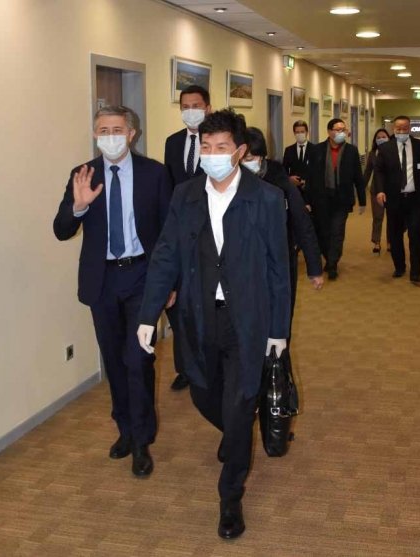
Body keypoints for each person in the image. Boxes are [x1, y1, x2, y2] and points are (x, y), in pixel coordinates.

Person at [137, 109, 290, 540]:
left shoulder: (265, 198)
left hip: (248, 320)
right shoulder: (185, 195)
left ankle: (230, 498)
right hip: (199, 317)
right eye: (206, 147)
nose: (212, 155)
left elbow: (279, 269)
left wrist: (279, 329)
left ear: (239, 152)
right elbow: (165, 255)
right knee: (205, 395)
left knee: (239, 403)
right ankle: (236, 429)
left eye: (221, 147)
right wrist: (148, 313)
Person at [53, 105, 172, 477]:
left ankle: (141, 441)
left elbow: (170, 233)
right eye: (103, 130)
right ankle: (125, 428)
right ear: (95, 134)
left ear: (132, 133)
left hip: (142, 276)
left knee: (138, 359)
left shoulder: (155, 173)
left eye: (117, 129)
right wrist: (78, 206)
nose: (110, 136)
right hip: (102, 280)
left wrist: (171, 282)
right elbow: (60, 229)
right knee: (114, 361)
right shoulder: (82, 174)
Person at [242, 126, 323, 332]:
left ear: (262, 156)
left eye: (251, 157)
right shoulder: (233, 181)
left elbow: (302, 223)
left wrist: (314, 268)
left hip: (279, 260)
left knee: (279, 318)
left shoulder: (280, 182)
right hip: (245, 263)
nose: (246, 162)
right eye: (242, 158)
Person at [164, 85, 212, 391]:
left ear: (207, 108)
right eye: (185, 106)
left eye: (196, 105)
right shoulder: (172, 142)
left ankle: (207, 364)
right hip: (181, 235)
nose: (190, 111)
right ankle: (184, 367)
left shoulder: (217, 142)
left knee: (207, 303)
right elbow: (168, 188)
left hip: (211, 233)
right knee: (179, 305)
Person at [374, 115, 420, 283]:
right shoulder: (385, 148)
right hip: (394, 199)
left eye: (404, 128)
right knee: (395, 235)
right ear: (393, 129)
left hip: (415, 198)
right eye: (398, 129)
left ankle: (415, 272)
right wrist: (380, 191)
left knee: (415, 233)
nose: (401, 131)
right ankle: (399, 266)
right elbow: (379, 171)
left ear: (410, 128)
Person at [303, 118, 366, 280]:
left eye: (343, 129)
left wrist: (362, 200)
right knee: (323, 232)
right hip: (321, 199)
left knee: (337, 232)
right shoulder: (317, 150)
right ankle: (328, 256)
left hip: (342, 199)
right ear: (329, 132)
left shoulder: (351, 151)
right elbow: (310, 177)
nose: (341, 132)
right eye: (338, 130)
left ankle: (332, 263)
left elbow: (358, 177)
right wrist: (307, 200)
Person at [363, 128, 391, 253]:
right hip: (376, 189)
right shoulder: (373, 153)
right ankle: (377, 242)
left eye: (383, 137)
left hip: (391, 189)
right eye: (378, 137)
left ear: (389, 138)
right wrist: (361, 188)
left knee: (392, 217)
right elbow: (367, 172)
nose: (381, 139)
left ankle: (390, 241)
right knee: (377, 217)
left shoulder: (394, 152)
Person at [282, 120, 315, 191]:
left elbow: (317, 171)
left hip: (310, 190)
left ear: (307, 132)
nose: (300, 134)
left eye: (302, 132)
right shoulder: (289, 150)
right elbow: (284, 170)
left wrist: (307, 182)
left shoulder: (314, 149)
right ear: (294, 133)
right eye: (297, 132)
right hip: (294, 189)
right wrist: (289, 178)